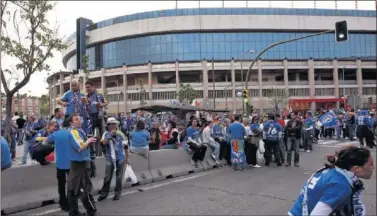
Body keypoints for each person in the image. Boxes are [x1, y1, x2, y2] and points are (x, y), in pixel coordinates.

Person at [289, 145, 374, 216]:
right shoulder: (341, 186)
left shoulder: (330, 171)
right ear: (357, 169)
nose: (373, 168)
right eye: (371, 165)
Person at [67, 113, 97, 216]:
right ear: (71, 122)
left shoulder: (79, 131)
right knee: (84, 188)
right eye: (76, 119)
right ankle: (91, 210)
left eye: (79, 119)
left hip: (76, 163)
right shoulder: (74, 132)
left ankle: (73, 211)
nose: (79, 120)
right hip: (81, 164)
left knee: (71, 187)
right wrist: (88, 141)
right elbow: (81, 147)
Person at [98, 117, 129, 202]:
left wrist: (127, 159)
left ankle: (117, 193)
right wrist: (110, 135)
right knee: (107, 177)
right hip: (109, 158)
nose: (113, 126)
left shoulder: (121, 134)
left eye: (114, 124)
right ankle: (104, 194)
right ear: (108, 125)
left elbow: (126, 147)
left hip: (120, 158)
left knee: (119, 177)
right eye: (111, 124)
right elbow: (103, 143)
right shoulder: (105, 134)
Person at [46, 119, 71, 212]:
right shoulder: (70, 133)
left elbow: (45, 142)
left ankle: (63, 203)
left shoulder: (54, 135)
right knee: (70, 185)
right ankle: (68, 203)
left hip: (60, 164)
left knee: (61, 185)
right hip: (70, 163)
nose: (55, 128)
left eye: (56, 126)